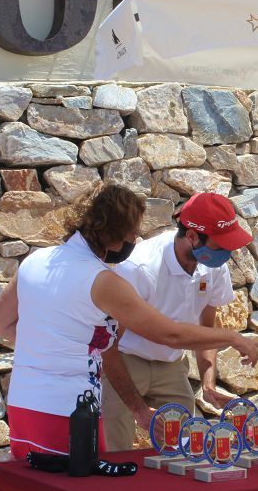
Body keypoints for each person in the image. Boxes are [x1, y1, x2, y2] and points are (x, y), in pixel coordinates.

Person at [0, 183, 258, 491]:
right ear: (114, 235)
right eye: (132, 234)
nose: (135, 242)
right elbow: (165, 332)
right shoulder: (102, 279)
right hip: (69, 412)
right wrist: (232, 336)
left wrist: (48, 351)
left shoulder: (36, 259)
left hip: (26, 404)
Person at [101, 193, 249, 451]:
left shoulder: (214, 267)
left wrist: (208, 381)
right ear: (192, 236)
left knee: (185, 450)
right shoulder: (139, 266)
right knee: (116, 451)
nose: (227, 252)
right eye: (220, 245)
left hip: (171, 364)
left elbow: (205, 330)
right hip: (125, 361)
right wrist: (137, 408)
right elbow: (109, 344)